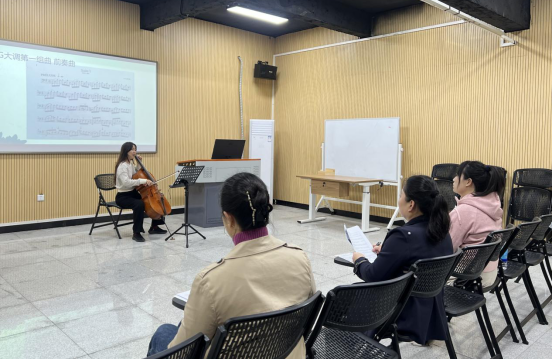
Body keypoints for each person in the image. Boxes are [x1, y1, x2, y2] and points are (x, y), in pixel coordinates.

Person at [147, 173, 316, 358]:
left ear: (228, 218)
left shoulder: (211, 281)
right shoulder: (300, 258)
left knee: (163, 333)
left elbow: (180, 354)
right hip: (288, 353)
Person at [352, 175, 453, 346]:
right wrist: (389, 252)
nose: (398, 200)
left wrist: (359, 260)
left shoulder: (403, 237)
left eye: (400, 196)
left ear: (411, 204)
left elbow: (373, 275)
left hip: (403, 312)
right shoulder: (442, 231)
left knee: (344, 299)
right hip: (432, 309)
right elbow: (418, 254)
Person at [450, 161, 505, 288]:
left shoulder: (463, 212)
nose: (454, 179)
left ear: (468, 182)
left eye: (458, 175)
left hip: (465, 277)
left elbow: (446, 249)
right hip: (489, 272)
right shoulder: (493, 206)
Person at [114, 142, 167, 243]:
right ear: (126, 151)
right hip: (123, 196)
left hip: (133, 192)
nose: (135, 152)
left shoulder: (130, 163)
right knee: (139, 204)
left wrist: (139, 164)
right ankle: (136, 233)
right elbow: (126, 182)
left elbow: (135, 174)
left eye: (135, 149)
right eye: (132, 149)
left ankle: (154, 227)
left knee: (157, 200)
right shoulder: (122, 166)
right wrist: (143, 181)